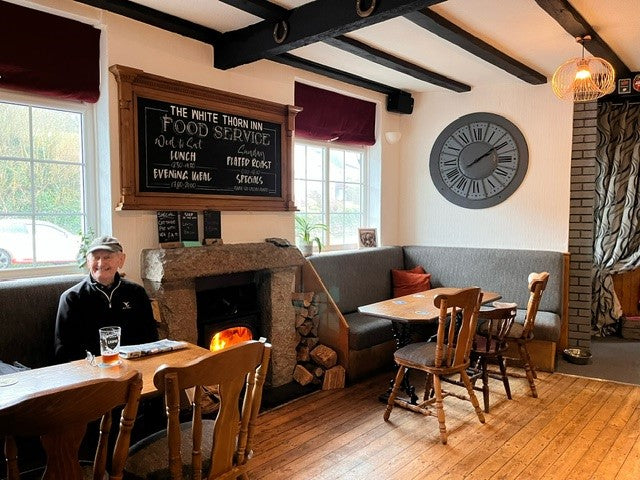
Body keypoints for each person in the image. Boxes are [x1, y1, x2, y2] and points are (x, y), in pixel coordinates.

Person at [54, 235, 159, 363]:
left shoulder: (137, 293)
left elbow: (151, 339)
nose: (101, 263)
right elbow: (64, 352)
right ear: (88, 262)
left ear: (121, 260)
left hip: (134, 366)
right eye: (96, 257)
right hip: (89, 371)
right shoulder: (72, 298)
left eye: (107, 257)